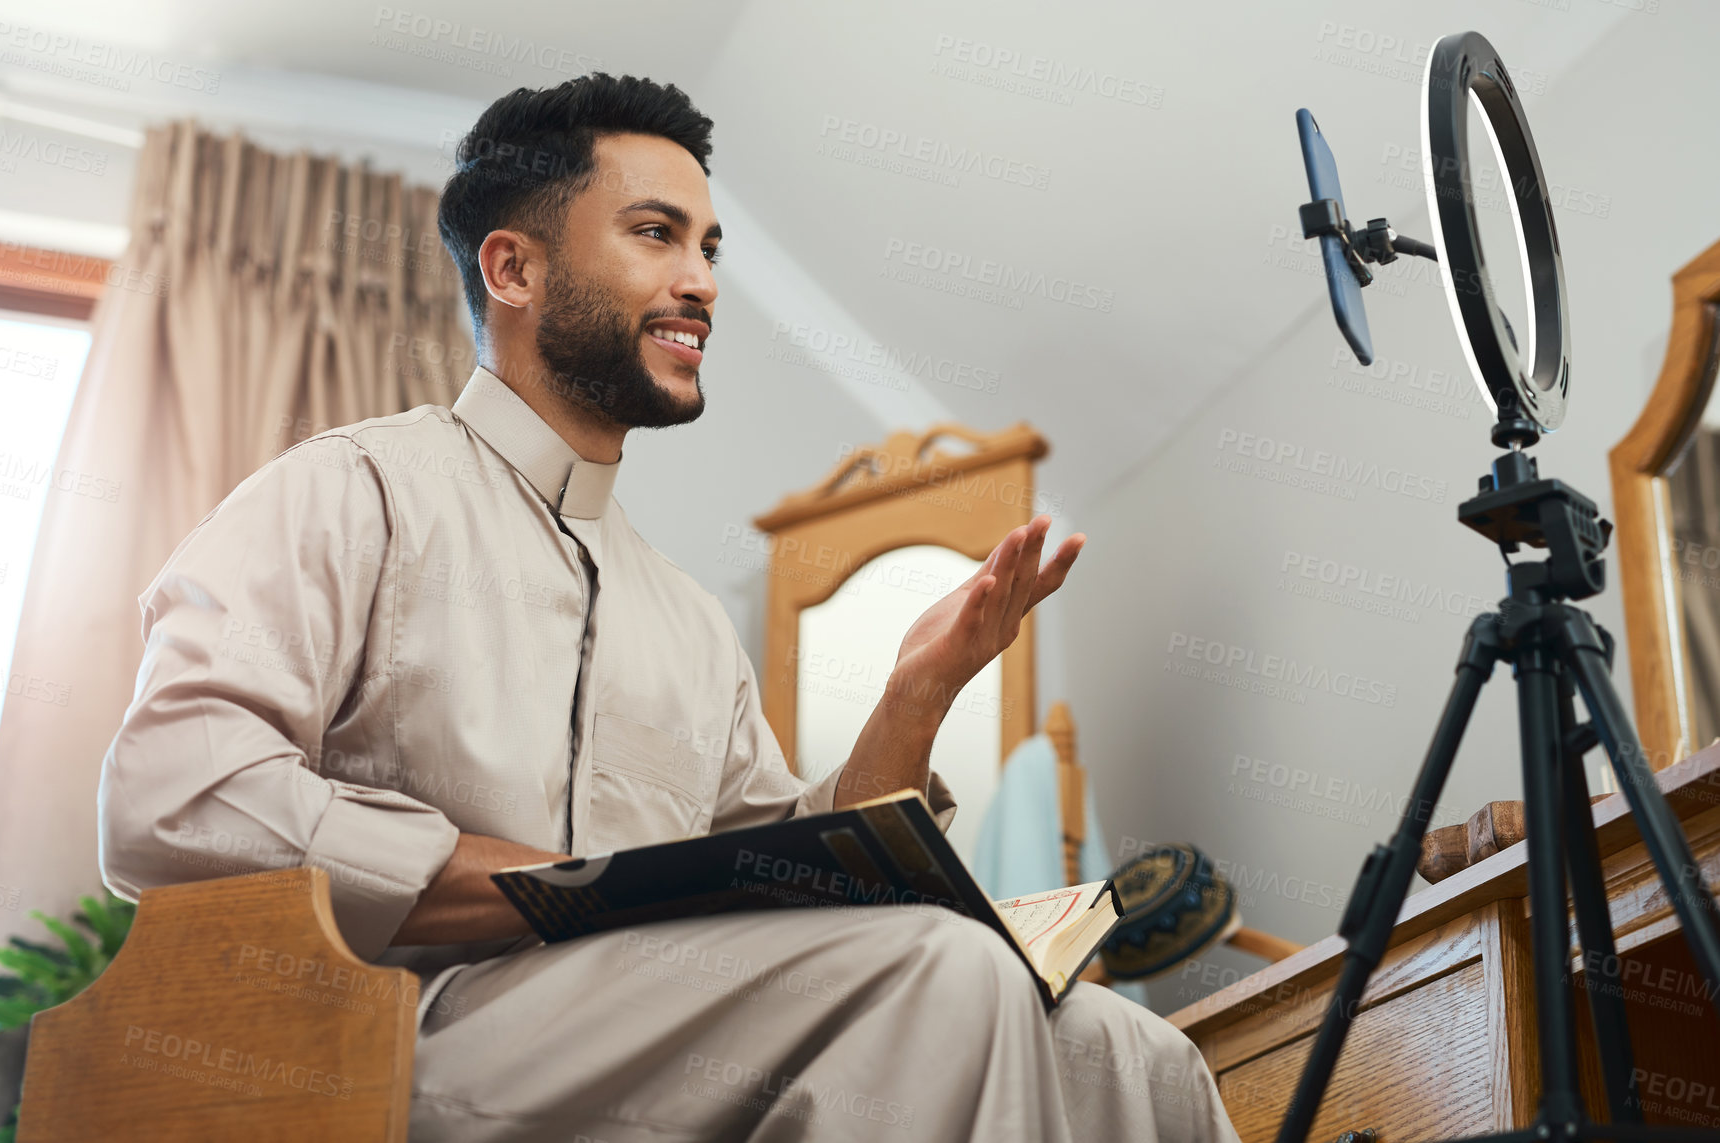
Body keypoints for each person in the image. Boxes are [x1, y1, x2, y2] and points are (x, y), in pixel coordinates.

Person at [98, 72, 1241, 1142]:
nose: (699, 281)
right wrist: (518, 888)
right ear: (513, 270)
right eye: (654, 235)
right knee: (944, 965)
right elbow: (170, 794)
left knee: (1131, 1056)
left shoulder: (687, 620)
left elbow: (789, 874)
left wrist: (916, 692)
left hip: (659, 1029)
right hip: (412, 1034)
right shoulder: (347, 490)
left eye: (707, 247)